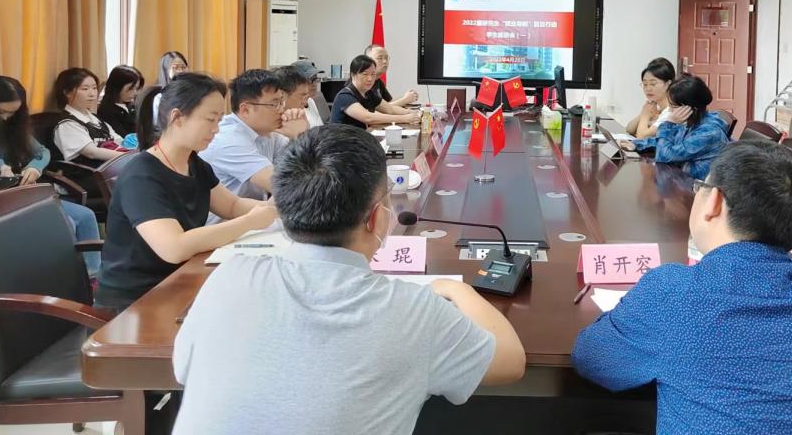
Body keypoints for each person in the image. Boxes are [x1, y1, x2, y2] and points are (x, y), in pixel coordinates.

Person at [171, 125, 526, 435]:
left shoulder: (228, 278)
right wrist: (458, 289)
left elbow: (183, 370)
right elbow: (510, 362)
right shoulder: (415, 312)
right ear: (376, 218)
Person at [572, 141, 792, 435]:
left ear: (714, 202)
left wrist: (629, 314)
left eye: (699, 188)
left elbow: (594, 359)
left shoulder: (673, 293)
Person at [96, 73, 277, 311]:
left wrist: (277, 209)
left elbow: (231, 205)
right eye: (210, 119)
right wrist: (250, 221)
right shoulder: (141, 175)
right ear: (177, 117)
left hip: (180, 279)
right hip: (137, 301)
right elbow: (174, 247)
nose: (216, 129)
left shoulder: (194, 163)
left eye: (219, 120)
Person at [0, 76, 101, 276]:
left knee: (85, 216)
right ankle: (57, 280)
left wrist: (35, 168)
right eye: (1, 112)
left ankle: (91, 277)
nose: (6, 118)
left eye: (12, 113)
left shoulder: (12, 126)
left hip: (13, 193)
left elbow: (42, 152)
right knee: (64, 223)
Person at [198, 69, 308, 207]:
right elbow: (286, 187)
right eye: (274, 104)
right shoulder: (228, 140)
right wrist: (301, 137)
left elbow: (302, 171)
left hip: (254, 215)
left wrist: (302, 136)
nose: (281, 110)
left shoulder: (269, 133)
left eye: (281, 102)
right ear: (246, 110)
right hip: (230, 219)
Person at [621, 75, 728, 181]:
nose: (670, 111)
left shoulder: (708, 132)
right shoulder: (692, 121)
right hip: (679, 178)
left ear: (691, 108)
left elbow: (664, 157)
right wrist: (636, 144)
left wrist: (668, 123)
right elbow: (670, 141)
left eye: (674, 107)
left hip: (695, 186)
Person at [50, 68, 125, 166]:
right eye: (85, 89)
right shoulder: (66, 123)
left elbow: (120, 141)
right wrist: (128, 156)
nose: (92, 94)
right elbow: (92, 153)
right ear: (67, 92)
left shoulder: (96, 120)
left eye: (94, 88)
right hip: (89, 174)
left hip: (114, 169)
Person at [331, 55, 420, 129]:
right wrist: (405, 118)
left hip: (358, 137)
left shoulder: (368, 93)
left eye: (373, 74)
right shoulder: (345, 96)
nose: (370, 78)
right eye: (365, 74)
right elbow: (368, 118)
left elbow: (389, 109)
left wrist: (411, 113)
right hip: (341, 142)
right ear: (353, 75)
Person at [625, 58, 676, 139]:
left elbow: (641, 138)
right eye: (645, 84)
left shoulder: (671, 111)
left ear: (668, 84)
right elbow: (629, 129)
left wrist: (645, 115)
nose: (648, 89)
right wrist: (644, 113)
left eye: (653, 84)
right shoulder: (656, 106)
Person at [364, 44, 418, 112]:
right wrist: (405, 100)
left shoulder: (379, 81)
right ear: (367, 61)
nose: (385, 61)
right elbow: (377, 110)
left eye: (386, 58)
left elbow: (388, 103)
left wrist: (406, 96)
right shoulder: (364, 83)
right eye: (380, 58)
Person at [98, 65, 144, 137]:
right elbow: (124, 137)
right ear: (117, 87)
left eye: (137, 88)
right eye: (131, 88)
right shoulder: (106, 111)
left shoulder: (131, 106)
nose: (135, 93)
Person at [290, 59, 324, 128]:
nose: (315, 84)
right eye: (310, 79)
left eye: (315, 79)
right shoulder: (293, 107)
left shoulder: (310, 101)